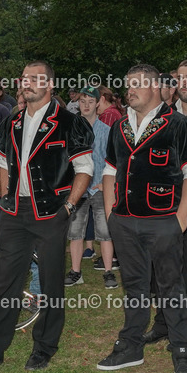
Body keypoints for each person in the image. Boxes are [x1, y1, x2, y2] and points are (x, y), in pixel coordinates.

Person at [0, 61, 94, 372]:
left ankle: (44, 347)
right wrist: (4, 198)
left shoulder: (70, 122)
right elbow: (2, 162)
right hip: (14, 211)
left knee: (51, 281)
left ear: (50, 85)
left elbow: (85, 170)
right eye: (24, 78)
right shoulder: (12, 122)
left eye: (34, 79)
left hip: (52, 212)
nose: (26, 83)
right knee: (4, 280)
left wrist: (68, 208)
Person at [96, 64, 187, 373]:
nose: (129, 90)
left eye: (137, 84)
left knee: (171, 286)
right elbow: (109, 171)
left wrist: (181, 219)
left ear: (156, 88)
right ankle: (130, 346)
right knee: (134, 287)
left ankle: (182, 348)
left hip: (164, 221)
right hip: (125, 221)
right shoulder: (119, 127)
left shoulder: (180, 125)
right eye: (127, 84)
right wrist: (111, 214)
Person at [143, 58, 187, 347]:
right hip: (164, 204)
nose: (183, 83)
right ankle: (162, 323)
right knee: (161, 267)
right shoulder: (164, 117)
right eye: (179, 78)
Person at [63, 87, 115, 288]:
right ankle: (76, 271)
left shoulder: (107, 131)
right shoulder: (71, 130)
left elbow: (113, 159)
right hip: (78, 188)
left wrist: (106, 183)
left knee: (105, 230)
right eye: (82, 101)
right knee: (75, 231)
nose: (86, 105)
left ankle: (109, 271)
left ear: (98, 103)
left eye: (90, 101)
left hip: (101, 187)